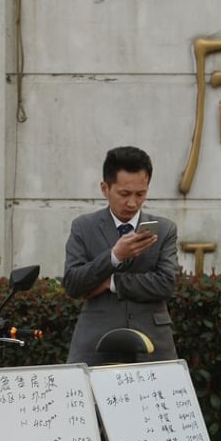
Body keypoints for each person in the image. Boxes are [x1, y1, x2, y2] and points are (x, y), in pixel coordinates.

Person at [63, 145, 179, 365]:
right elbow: (72, 283)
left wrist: (112, 282)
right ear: (105, 188)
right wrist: (114, 256)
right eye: (124, 194)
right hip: (95, 342)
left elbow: (166, 283)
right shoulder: (83, 227)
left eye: (140, 194)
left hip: (154, 343)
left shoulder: (164, 230)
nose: (132, 203)